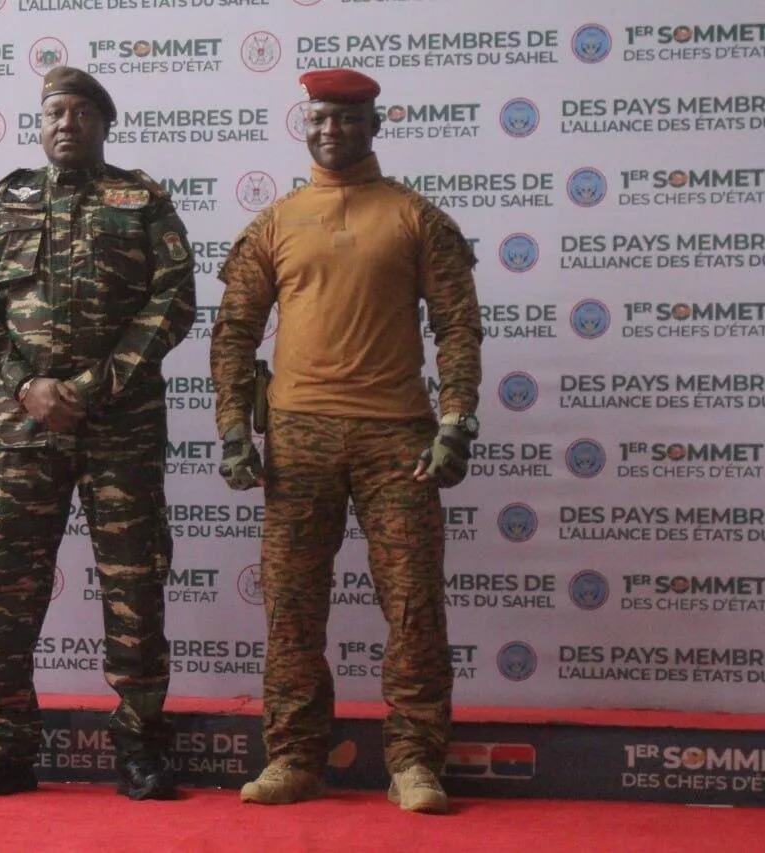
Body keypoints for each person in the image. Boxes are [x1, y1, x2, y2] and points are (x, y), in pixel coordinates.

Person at [210, 69, 482, 813]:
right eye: (320, 118)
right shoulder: (275, 221)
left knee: (414, 602)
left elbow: (457, 325)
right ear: (307, 124)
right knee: (293, 606)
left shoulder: (416, 217)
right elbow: (233, 331)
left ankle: (417, 763)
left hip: (399, 438)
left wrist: (458, 419)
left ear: (374, 124)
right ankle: (296, 757)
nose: (332, 131)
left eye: (347, 119)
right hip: (296, 437)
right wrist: (234, 428)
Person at [0, 67, 196, 800]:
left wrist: (92, 388)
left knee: (133, 582)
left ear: (103, 123)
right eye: (55, 112)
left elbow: (172, 300)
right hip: (24, 428)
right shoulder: (5, 202)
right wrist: (26, 385)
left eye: (81, 113)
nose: (66, 124)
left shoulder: (143, 200)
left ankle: (142, 746)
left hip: (120, 427)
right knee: (8, 587)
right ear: (41, 121)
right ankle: (8, 742)